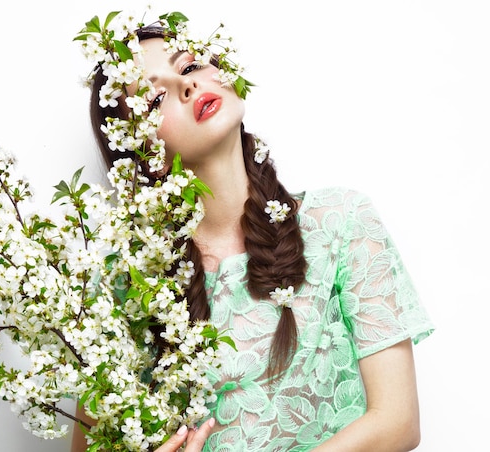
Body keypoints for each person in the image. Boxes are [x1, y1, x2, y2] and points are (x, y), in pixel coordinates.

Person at [72, 22, 434, 452]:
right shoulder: (124, 287)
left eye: (190, 64)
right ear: (145, 156)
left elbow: (397, 421)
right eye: (155, 96)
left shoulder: (342, 222)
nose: (187, 85)